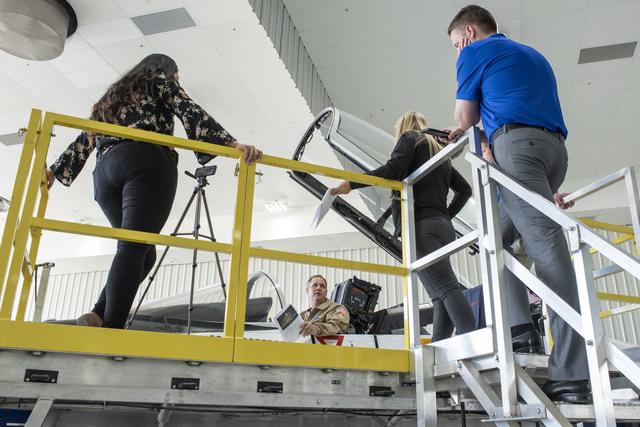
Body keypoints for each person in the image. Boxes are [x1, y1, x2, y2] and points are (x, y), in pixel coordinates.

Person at [46, 53, 262, 329]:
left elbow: (85, 136)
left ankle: (99, 314)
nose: (176, 80)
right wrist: (231, 144)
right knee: (134, 249)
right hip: (143, 163)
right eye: (176, 76)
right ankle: (112, 330)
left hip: (104, 175)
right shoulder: (157, 79)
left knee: (144, 254)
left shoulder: (113, 96)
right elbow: (186, 107)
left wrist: (54, 170)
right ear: (167, 70)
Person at [445, 5, 589, 402]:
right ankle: (519, 330)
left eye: (457, 44)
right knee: (492, 239)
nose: (459, 52)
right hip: (553, 153)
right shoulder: (531, 55)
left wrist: (462, 131)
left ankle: (573, 373)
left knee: (548, 250)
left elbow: (465, 114)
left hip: (517, 150)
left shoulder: (475, 52)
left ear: (469, 33)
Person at [331, 111, 475, 341]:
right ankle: (439, 349)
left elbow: (392, 171)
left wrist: (351, 183)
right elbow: (465, 190)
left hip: (421, 227)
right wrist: (445, 215)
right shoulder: (439, 153)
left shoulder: (410, 138)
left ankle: (473, 337)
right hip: (443, 227)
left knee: (446, 288)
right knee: (438, 295)